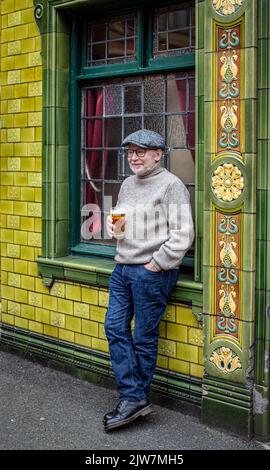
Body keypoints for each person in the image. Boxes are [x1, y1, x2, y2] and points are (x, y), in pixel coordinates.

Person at [103, 129, 194, 432]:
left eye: (142, 151)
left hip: (150, 273)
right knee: (114, 327)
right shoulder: (129, 184)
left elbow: (183, 234)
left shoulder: (171, 185)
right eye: (130, 152)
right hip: (122, 269)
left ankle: (131, 399)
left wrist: (156, 264)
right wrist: (114, 223)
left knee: (143, 337)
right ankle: (136, 398)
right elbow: (119, 228)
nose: (134, 157)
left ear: (158, 154)